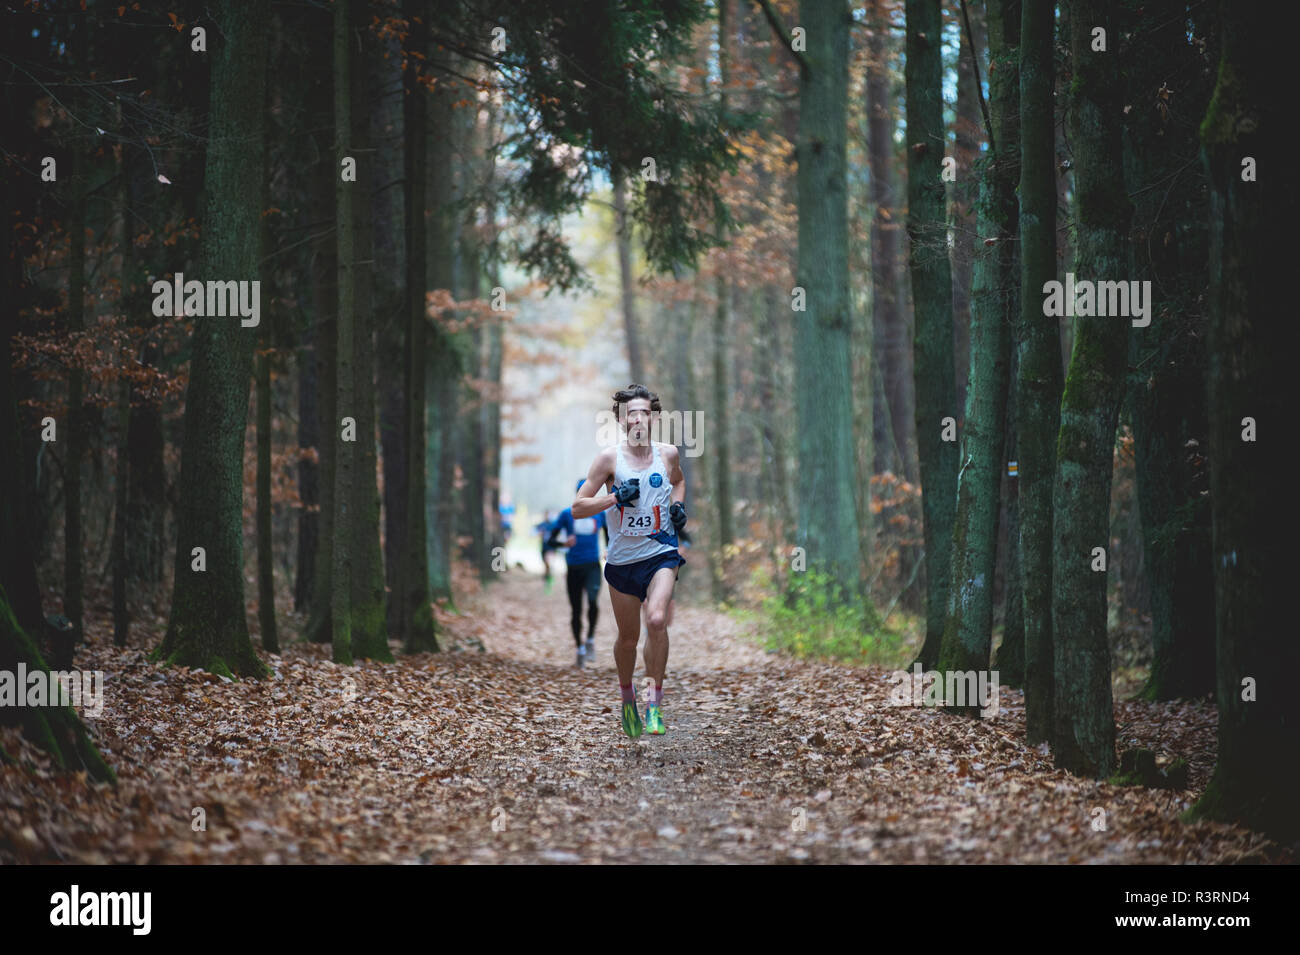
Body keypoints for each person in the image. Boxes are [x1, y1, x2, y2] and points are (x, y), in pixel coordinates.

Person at [572, 384, 687, 738]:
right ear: (622, 421)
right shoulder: (609, 460)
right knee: (627, 638)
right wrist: (614, 498)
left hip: (661, 553)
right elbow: (577, 508)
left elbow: (678, 483)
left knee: (656, 619)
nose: (638, 418)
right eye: (630, 413)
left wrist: (677, 507)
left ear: (653, 417)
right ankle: (627, 699)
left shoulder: (668, 455)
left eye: (643, 412)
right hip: (622, 562)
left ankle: (655, 704)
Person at [547, 478, 610, 668]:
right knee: (576, 609)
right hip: (573, 566)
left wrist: (609, 550)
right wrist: (563, 544)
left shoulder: (600, 515)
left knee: (592, 602)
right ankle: (579, 648)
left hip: (592, 565)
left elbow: (609, 537)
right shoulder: (568, 514)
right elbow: (550, 540)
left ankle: (590, 638)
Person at [535, 510, 558, 594]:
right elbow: (534, 532)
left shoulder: (554, 525)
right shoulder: (541, 525)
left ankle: (549, 580)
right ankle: (548, 579)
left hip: (551, 548)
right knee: (546, 566)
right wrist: (539, 534)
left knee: (549, 563)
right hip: (544, 548)